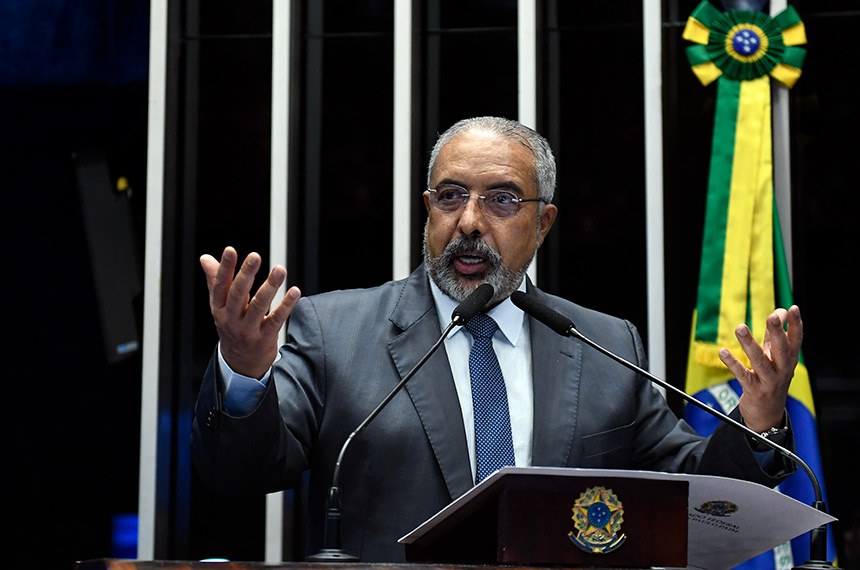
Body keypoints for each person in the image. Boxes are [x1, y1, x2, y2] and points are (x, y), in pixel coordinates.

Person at [191, 116, 803, 562]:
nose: (470, 221)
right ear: (427, 209)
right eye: (451, 196)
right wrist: (244, 372)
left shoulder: (603, 343)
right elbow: (238, 474)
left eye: (503, 200)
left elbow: (693, 497)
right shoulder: (333, 331)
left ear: (544, 222)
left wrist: (756, 417)